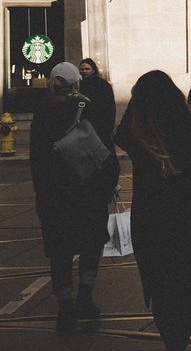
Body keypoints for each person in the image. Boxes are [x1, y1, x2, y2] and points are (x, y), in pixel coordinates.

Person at [114, 70, 191, 351]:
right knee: (182, 289)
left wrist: (137, 101)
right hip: (186, 218)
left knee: (160, 288)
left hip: (149, 220)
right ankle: (178, 342)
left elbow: (119, 134)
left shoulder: (140, 134)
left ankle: (171, 341)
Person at [30, 62, 119, 334]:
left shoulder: (42, 112)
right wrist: (109, 184)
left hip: (55, 195)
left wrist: (42, 192)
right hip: (88, 192)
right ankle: (86, 297)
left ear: (52, 82)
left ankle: (65, 306)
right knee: (91, 247)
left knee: (60, 252)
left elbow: (37, 158)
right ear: (77, 84)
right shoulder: (88, 107)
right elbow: (105, 150)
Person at [78, 58, 116, 144]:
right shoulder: (79, 85)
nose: (84, 71)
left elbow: (109, 109)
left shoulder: (103, 86)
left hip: (100, 127)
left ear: (93, 70)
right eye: (82, 69)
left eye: (87, 69)